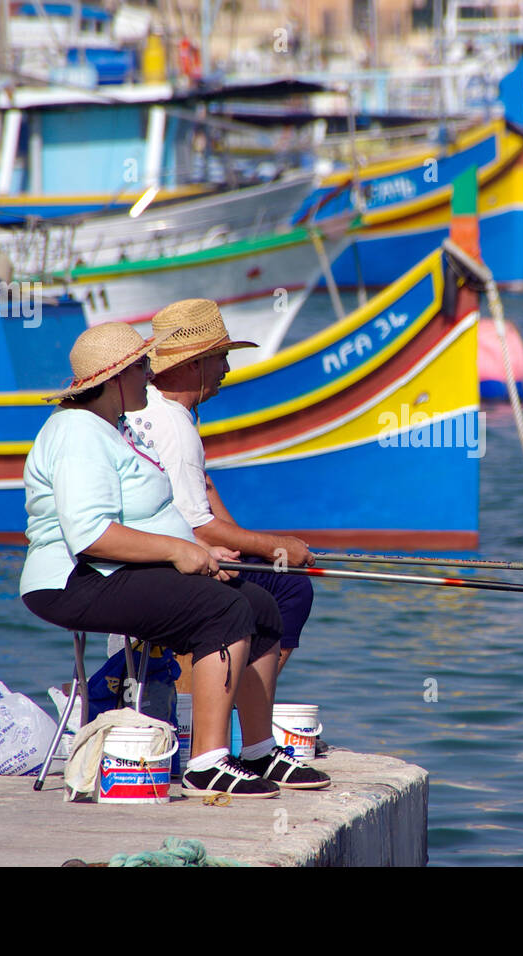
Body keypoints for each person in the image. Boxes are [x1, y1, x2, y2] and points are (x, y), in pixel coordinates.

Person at [18, 322, 328, 797]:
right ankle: (207, 761)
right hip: (74, 581)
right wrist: (180, 551)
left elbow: (148, 515)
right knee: (223, 609)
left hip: (115, 571)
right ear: (116, 376)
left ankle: (259, 749)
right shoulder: (77, 432)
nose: (150, 375)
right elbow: (91, 534)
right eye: (143, 366)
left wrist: (200, 551)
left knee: (262, 606)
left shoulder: (113, 428)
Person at [122, 299, 316, 677]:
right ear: (193, 364)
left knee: (267, 573)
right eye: (220, 358)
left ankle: (226, 707)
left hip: (148, 555)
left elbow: (202, 489)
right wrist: (281, 548)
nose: (226, 369)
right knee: (292, 590)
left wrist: (249, 544)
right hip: (161, 563)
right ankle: (232, 714)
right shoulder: (175, 426)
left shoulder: (149, 408)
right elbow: (200, 526)